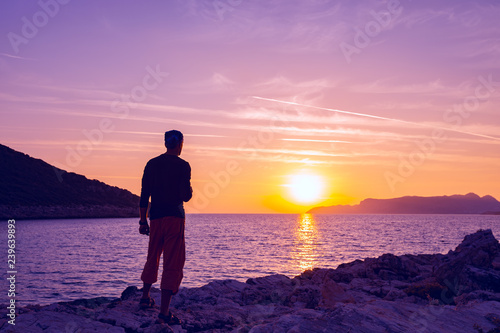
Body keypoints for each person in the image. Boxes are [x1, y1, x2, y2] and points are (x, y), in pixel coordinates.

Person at [138, 130, 192, 325]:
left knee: (152, 256)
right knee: (173, 262)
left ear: (165, 143)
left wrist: (143, 220)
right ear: (180, 144)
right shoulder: (183, 166)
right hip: (175, 219)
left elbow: (144, 195)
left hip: (156, 218)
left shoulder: (152, 164)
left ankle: (145, 298)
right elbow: (186, 196)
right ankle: (164, 312)